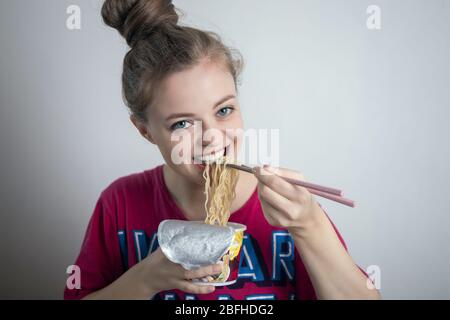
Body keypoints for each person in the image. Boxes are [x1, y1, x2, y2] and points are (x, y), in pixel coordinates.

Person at [64, 0, 381, 300]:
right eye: (182, 124)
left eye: (224, 111)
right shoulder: (120, 204)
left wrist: (309, 224)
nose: (211, 138)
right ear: (144, 130)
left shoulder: (288, 209)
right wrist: (145, 279)